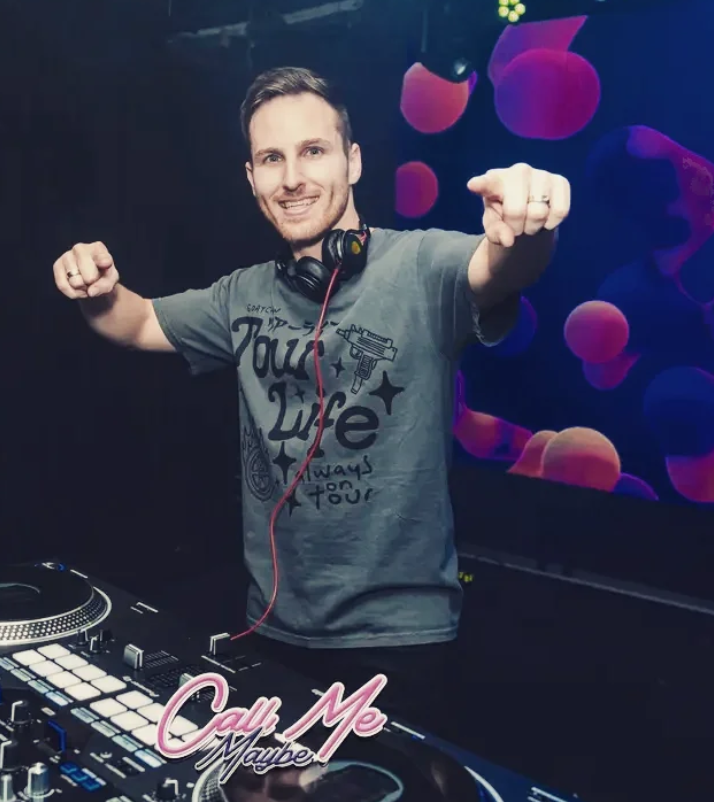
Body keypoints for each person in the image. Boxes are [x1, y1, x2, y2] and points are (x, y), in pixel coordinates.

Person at [52, 67, 569, 742]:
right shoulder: (241, 295)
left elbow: (500, 268)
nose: (292, 177)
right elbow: (138, 321)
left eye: (313, 151)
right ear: (252, 178)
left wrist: (527, 227)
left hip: (399, 643)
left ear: (353, 161)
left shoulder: (422, 266)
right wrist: (95, 289)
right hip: (271, 628)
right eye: (272, 158)